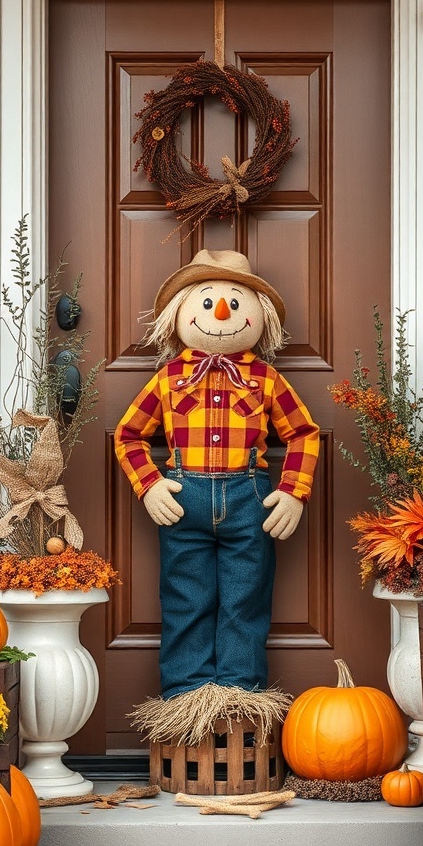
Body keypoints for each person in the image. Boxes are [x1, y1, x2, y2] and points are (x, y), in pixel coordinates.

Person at [115, 249, 319, 712]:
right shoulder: (168, 379)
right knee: (185, 599)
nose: (222, 312)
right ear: (181, 313)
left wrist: (292, 491)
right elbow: (128, 435)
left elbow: (303, 433)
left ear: (259, 315)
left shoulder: (266, 379)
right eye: (207, 302)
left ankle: (240, 701)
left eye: (233, 301)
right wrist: (148, 483)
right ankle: (185, 702)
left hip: (249, 498)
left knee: (246, 601)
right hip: (183, 499)